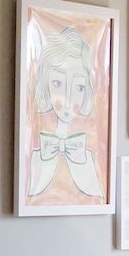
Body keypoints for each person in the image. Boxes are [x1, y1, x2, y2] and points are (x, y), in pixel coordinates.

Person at [29, 26, 103, 198]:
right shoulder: (34, 158)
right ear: (45, 84)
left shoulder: (90, 161)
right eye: (58, 84)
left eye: (78, 87)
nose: (68, 100)